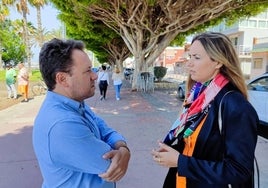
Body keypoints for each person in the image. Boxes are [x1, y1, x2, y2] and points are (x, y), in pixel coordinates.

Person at [151, 32, 258, 188]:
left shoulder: (235, 105)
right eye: (189, 57)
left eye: (196, 57)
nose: (189, 64)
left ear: (218, 62)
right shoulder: (199, 97)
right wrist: (173, 152)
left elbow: (239, 171)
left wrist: (180, 162)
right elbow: (198, 147)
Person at [32, 38, 130, 188]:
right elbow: (112, 165)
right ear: (62, 79)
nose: (95, 76)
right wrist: (122, 154)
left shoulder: (75, 104)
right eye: (87, 71)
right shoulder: (62, 124)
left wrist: (123, 148)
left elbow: (103, 129)